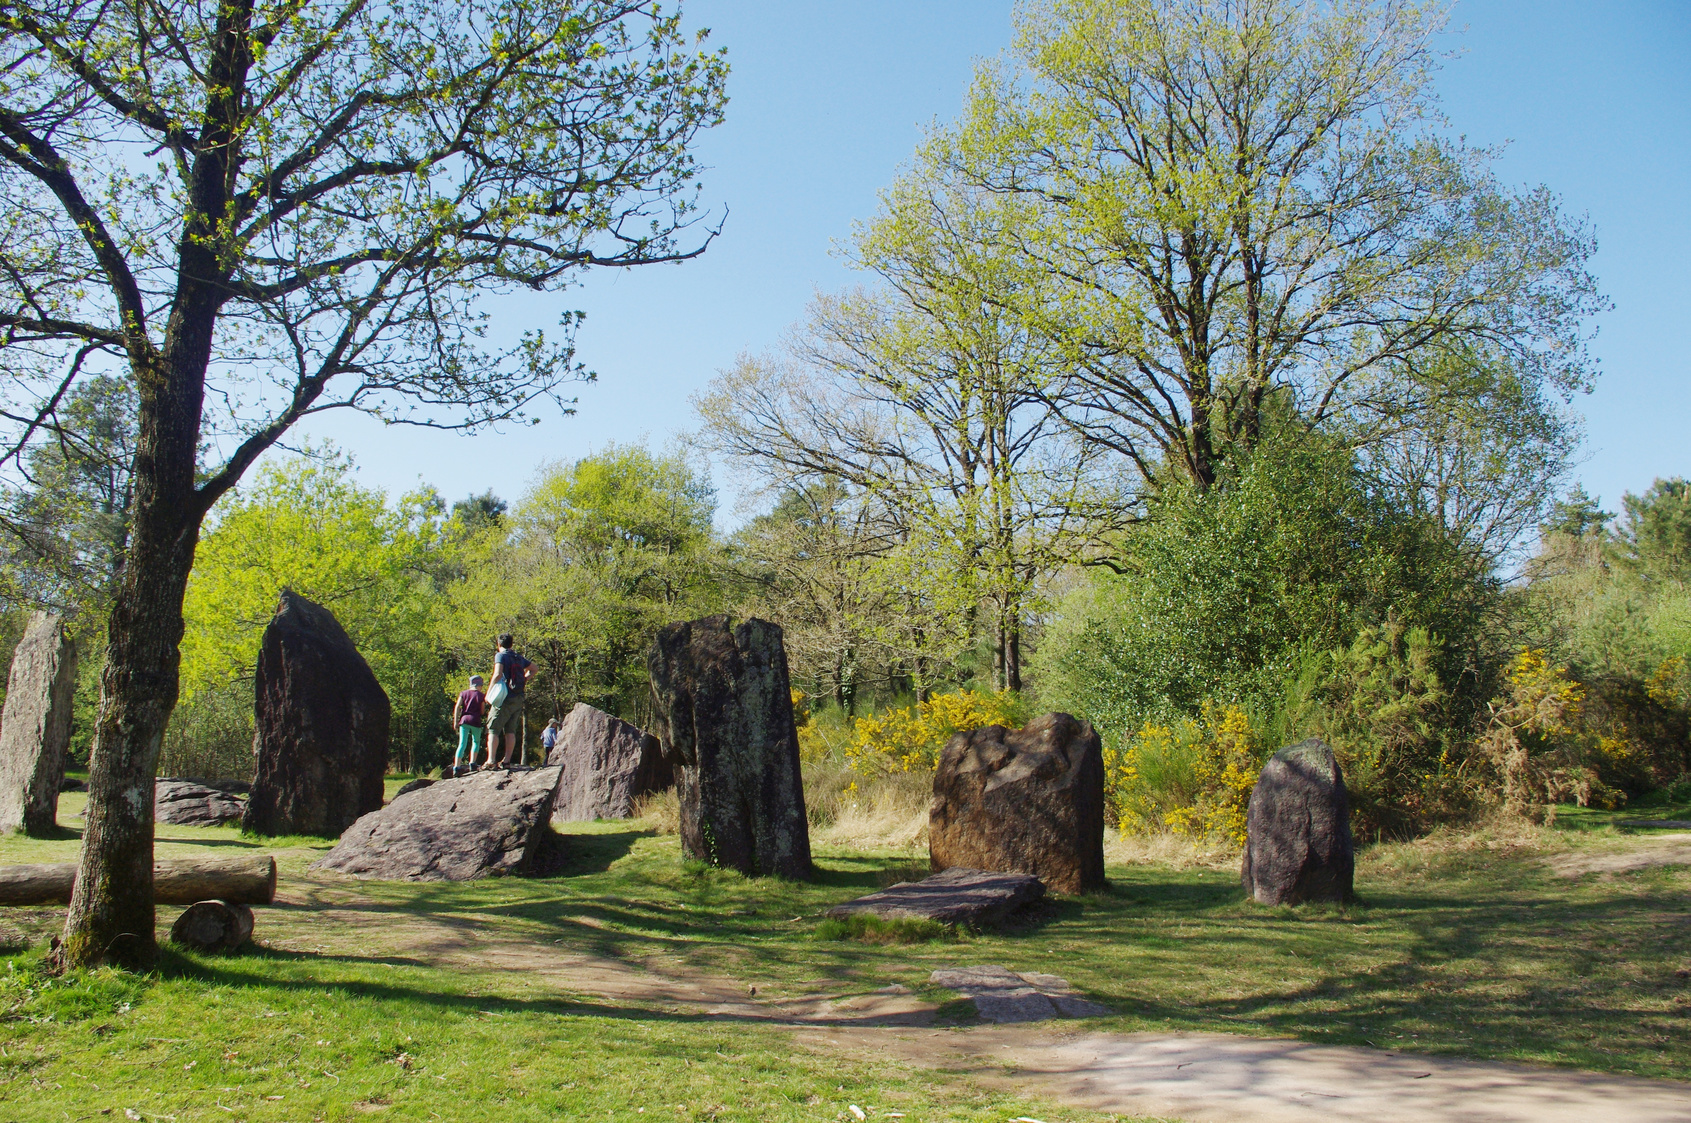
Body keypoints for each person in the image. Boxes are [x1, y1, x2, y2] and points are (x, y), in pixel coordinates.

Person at [484, 633, 536, 769]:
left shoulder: (500, 655)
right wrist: (524, 679)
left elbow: (497, 674)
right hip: (518, 697)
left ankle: (491, 761)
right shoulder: (518, 657)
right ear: (511, 644)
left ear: (499, 644)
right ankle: (506, 761)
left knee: (493, 728)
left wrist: (488, 692)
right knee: (510, 730)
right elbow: (534, 669)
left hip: (504, 697)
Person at [451, 675, 487, 775]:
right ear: (479, 685)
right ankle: (472, 763)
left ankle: (457, 767)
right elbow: (482, 711)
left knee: (462, 743)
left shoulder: (463, 693)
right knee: (476, 741)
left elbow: (457, 706)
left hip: (464, 721)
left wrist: (455, 721)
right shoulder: (481, 696)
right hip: (475, 721)